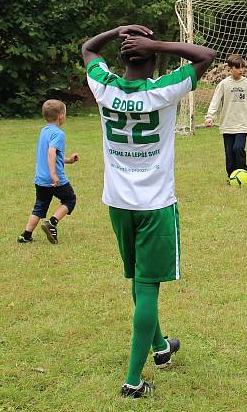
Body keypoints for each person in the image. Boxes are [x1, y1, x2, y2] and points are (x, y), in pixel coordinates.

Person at [82, 24, 215, 398]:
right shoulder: (164, 89)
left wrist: (116, 31)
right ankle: (132, 381)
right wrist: (155, 42)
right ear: (154, 57)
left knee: (138, 282)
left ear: (121, 59)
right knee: (148, 286)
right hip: (155, 205)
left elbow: (88, 49)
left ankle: (160, 347)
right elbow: (205, 56)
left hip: (118, 204)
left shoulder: (104, 87)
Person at [17, 99, 79, 245]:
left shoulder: (44, 131)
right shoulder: (59, 134)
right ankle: (52, 223)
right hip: (54, 179)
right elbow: (51, 152)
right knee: (70, 199)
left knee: (39, 206)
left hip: (40, 179)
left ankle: (25, 236)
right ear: (61, 116)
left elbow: (52, 155)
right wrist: (53, 174)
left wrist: (69, 160)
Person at [204, 54, 247, 179]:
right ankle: (231, 176)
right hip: (227, 124)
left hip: (243, 124)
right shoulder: (223, 84)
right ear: (229, 68)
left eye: (242, 67)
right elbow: (215, 101)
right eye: (237, 67)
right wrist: (210, 117)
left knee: (238, 148)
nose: (241, 70)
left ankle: (242, 172)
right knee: (229, 154)